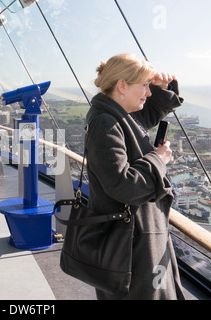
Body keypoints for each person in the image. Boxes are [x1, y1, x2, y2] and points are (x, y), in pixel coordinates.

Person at [86, 53, 185, 300]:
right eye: (144, 86)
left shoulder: (117, 115)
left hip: (135, 236)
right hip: (131, 244)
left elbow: (142, 119)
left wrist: (161, 88)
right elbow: (123, 185)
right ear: (122, 86)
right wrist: (158, 160)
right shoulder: (105, 124)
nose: (148, 93)